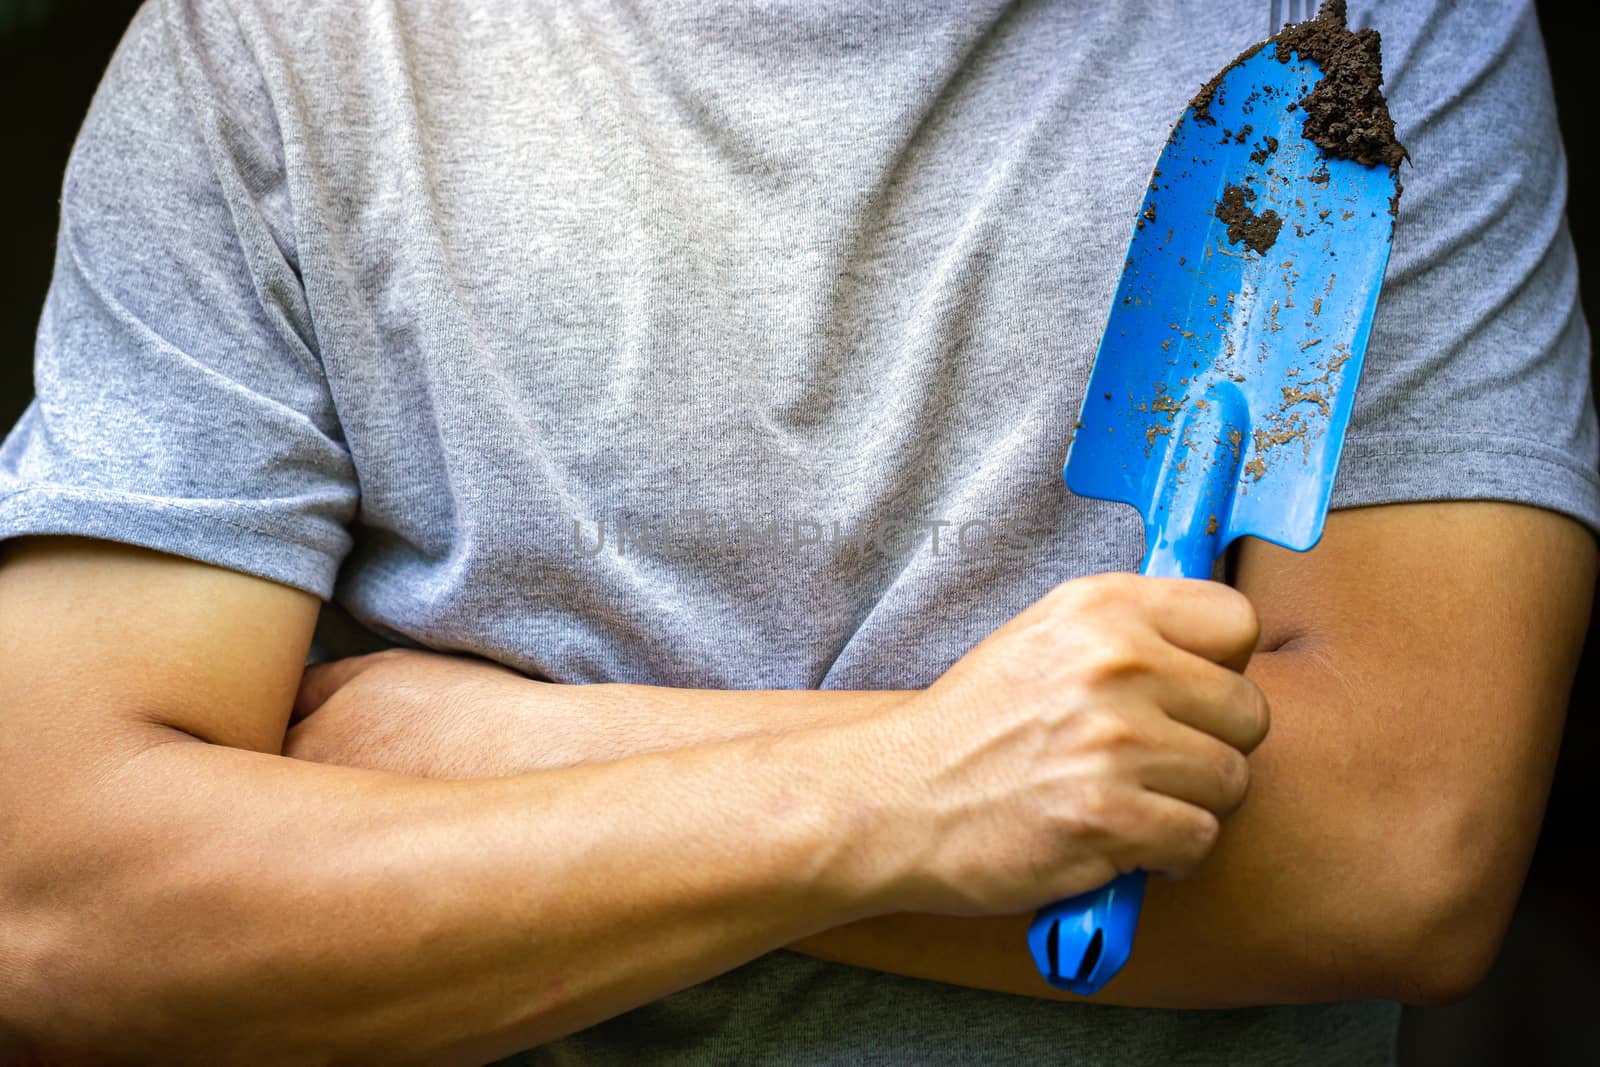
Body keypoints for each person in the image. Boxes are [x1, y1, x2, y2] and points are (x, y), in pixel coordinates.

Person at [1, 0, 1594, 1063]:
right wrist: (898, 798)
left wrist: (494, 756)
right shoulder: (272, 48)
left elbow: (1403, 852)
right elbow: (56, 912)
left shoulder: (1340, 34)